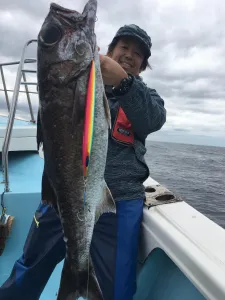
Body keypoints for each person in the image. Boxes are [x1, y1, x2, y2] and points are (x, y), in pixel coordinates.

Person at [0, 24, 166, 300]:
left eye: (138, 53)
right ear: (108, 51)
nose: (129, 55)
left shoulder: (145, 97)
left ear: (143, 66)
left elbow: (154, 118)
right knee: (29, 268)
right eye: (124, 47)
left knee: (115, 291)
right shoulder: (77, 81)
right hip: (61, 195)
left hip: (117, 203)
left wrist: (124, 84)